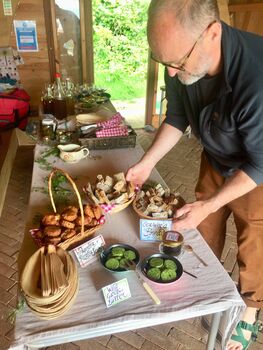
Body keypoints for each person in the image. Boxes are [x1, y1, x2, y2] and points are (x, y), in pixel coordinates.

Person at [126, 1, 263, 349]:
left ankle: (251, 311)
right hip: (217, 157)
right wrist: (146, 163)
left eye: (177, 62)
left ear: (212, 33)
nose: (171, 73)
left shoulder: (257, 76)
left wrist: (214, 202)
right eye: (164, 63)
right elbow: (176, 117)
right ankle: (212, 288)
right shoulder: (178, 58)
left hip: (256, 170)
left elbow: (260, 163)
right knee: (203, 229)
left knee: (255, 241)